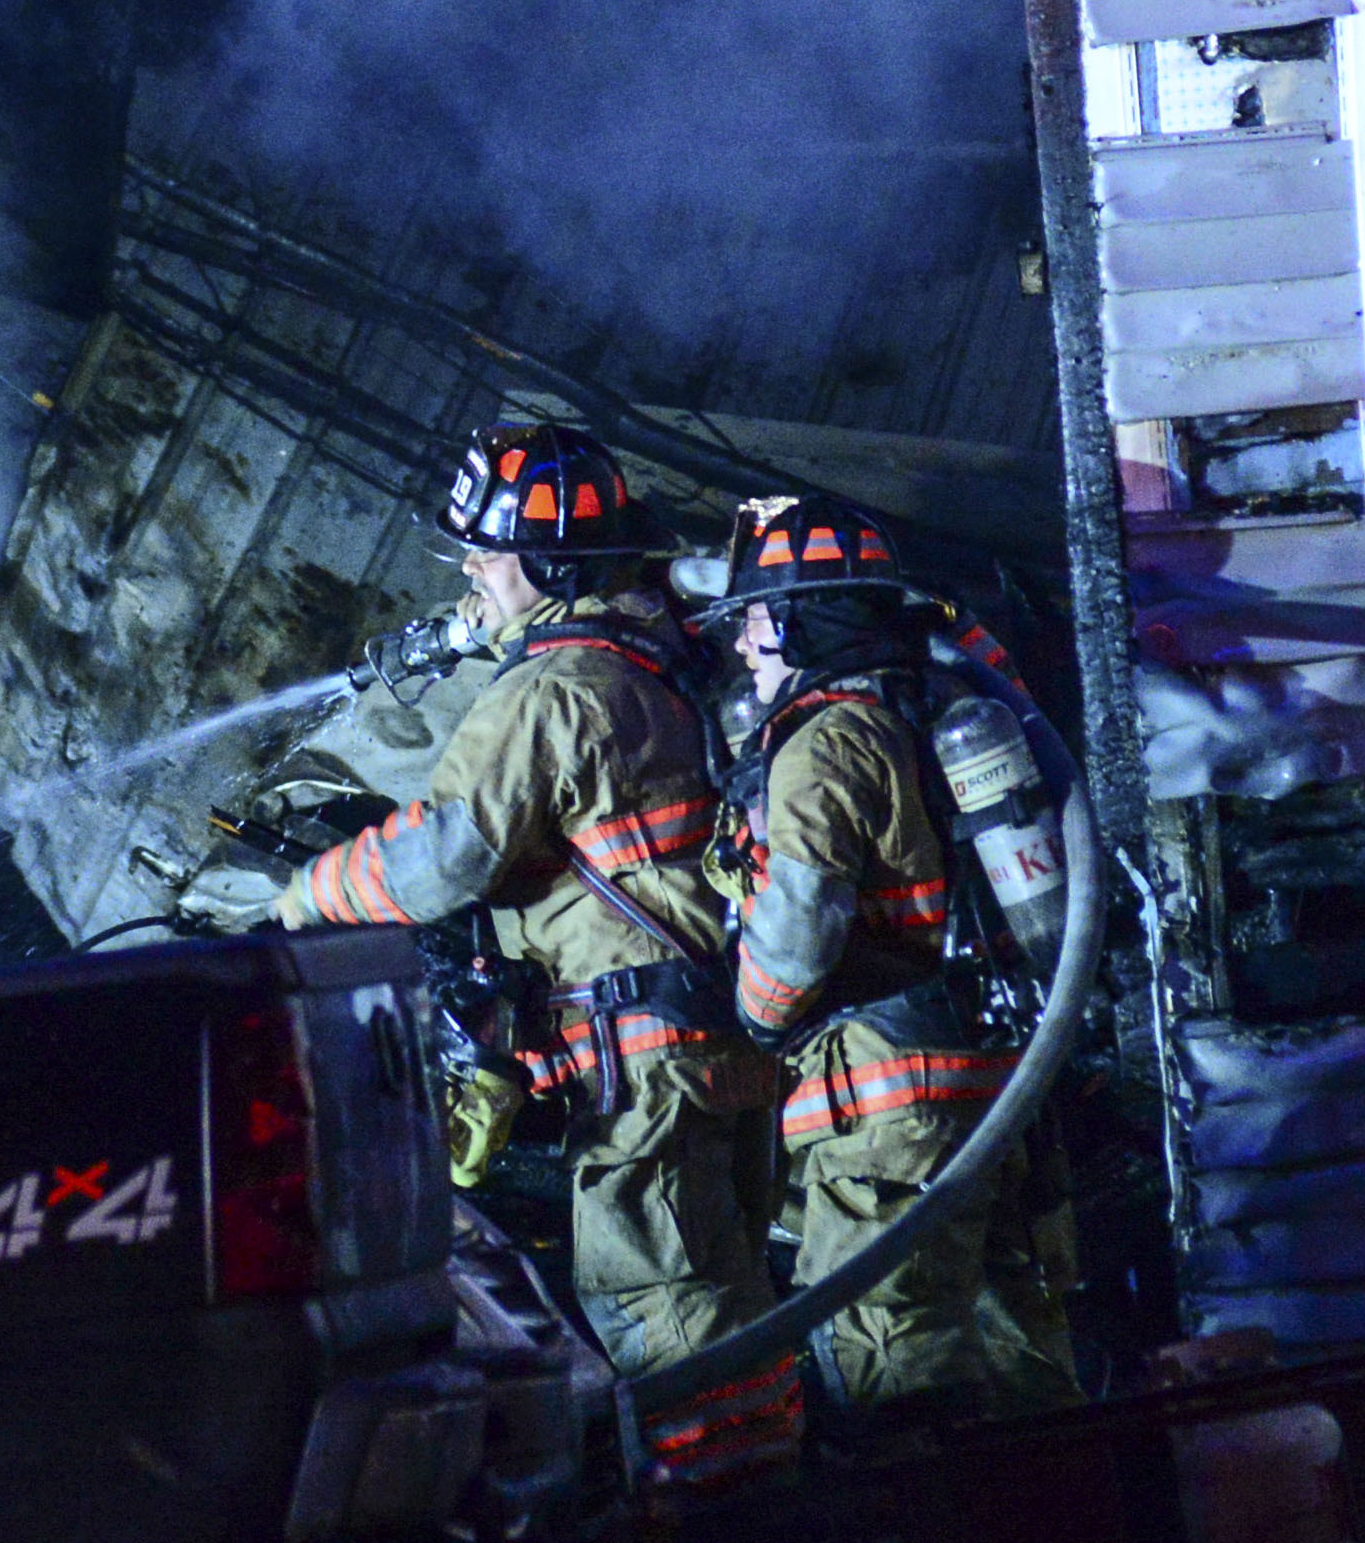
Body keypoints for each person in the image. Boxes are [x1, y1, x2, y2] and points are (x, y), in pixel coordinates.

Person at [274, 423, 780, 1372]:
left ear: (549, 565)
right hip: (719, 1039)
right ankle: (770, 1453)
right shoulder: (663, 654)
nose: (470, 569)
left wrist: (305, 897)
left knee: (668, 1317)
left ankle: (726, 1465)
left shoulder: (551, 692)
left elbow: (442, 859)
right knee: (731, 1300)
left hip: (642, 1064)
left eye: (487, 551)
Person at [709, 494, 1079, 1419]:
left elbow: (796, 935)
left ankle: (939, 1511)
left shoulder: (826, 742)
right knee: (1018, 1346)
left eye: (756, 618)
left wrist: (748, 1027)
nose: (744, 644)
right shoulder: (941, 705)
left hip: (889, 1102)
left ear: (801, 620)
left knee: (891, 1356)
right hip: (993, 1081)